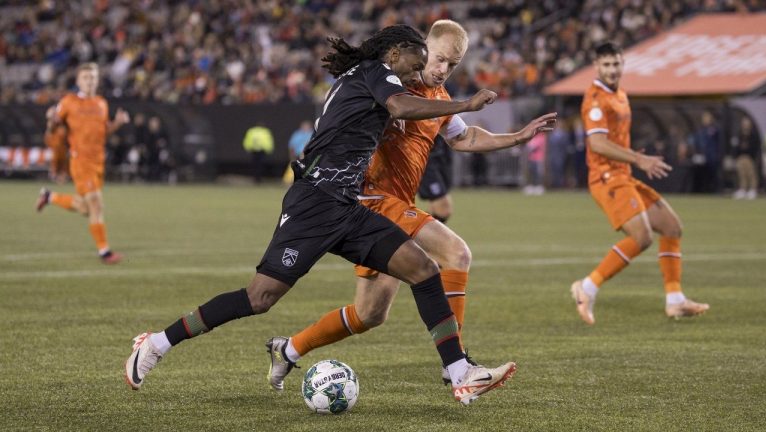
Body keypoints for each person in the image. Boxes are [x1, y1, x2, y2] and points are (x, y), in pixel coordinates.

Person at [124, 25, 515, 406]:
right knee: (260, 298)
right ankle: (157, 342)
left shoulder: (377, 77)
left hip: (348, 205)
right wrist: (464, 104)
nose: (418, 74)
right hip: (313, 202)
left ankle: (460, 372)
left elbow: (419, 119)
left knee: (424, 269)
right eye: (416, 66)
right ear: (394, 54)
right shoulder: (373, 73)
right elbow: (399, 106)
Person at [265, 20, 556, 392]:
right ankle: (457, 366)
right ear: (422, 49)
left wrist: (517, 137)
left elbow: (463, 137)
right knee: (456, 253)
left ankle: (288, 349)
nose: (441, 70)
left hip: (394, 203)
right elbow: (385, 107)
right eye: (438, 60)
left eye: (452, 65)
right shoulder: (394, 85)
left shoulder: (439, 98)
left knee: (371, 314)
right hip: (369, 197)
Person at [570, 42, 709, 324]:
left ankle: (675, 300)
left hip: (623, 176)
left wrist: (632, 162)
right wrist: (638, 159)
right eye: (606, 65)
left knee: (672, 226)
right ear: (596, 66)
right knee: (642, 237)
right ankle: (587, 287)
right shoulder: (596, 99)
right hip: (606, 178)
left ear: (623, 64)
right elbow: (597, 143)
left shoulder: (619, 93)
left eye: (616, 63)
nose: (612, 69)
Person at [36, 63, 130, 264]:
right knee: (96, 205)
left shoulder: (101, 103)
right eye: (86, 77)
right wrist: (51, 120)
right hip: (80, 160)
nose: (90, 81)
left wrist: (118, 123)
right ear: (78, 81)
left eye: (93, 77)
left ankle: (49, 196)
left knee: (87, 209)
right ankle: (104, 252)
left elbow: (104, 131)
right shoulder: (69, 101)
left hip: (98, 162)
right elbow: (54, 130)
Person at [417, 135, 454, 222]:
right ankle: (405, 233)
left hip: (441, 148)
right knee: (443, 209)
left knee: (434, 209)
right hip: (425, 155)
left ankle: (408, 233)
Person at [731, 117, 760, 200]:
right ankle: (743, 189)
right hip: (740, 157)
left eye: (747, 124)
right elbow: (735, 147)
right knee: (741, 173)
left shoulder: (754, 135)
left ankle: (753, 189)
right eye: (744, 124)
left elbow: (755, 148)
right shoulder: (738, 134)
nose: (745, 126)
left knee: (750, 172)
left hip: (750, 157)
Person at [283, 120, 314, 185]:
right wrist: (291, 155)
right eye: (304, 126)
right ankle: (289, 181)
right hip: (298, 154)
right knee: (295, 168)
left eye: (307, 126)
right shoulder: (297, 134)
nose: (305, 127)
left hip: (308, 155)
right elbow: (291, 145)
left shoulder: (312, 134)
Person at [44, 105, 69, 183]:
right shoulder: (52, 130)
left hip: (62, 148)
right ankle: (55, 174)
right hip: (55, 147)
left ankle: (61, 175)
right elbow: (49, 132)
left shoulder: (62, 128)